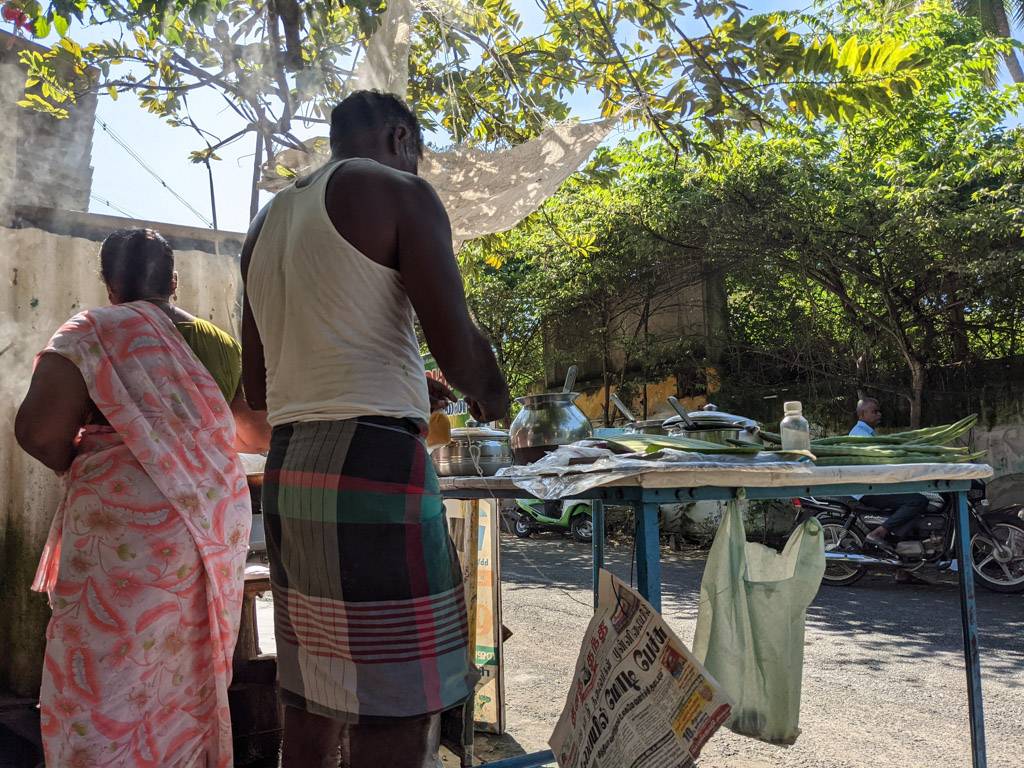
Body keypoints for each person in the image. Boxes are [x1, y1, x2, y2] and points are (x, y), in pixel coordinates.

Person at [241, 90, 509, 768]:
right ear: (399, 139)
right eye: (417, 154)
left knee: (311, 688)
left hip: (292, 468)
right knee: (397, 699)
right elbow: (462, 355)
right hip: (372, 467)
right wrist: (494, 391)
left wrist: (398, 377)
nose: (417, 169)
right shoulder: (397, 191)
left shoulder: (266, 223)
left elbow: (261, 386)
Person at [15, 228, 268, 767]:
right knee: (184, 662)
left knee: (107, 667)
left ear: (108, 284)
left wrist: (98, 467)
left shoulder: (91, 331)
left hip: (121, 532)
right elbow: (251, 434)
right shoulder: (216, 343)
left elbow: (38, 433)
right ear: (173, 281)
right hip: (206, 528)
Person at [848, 397, 928, 548]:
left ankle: (900, 547)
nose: (879, 415)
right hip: (868, 490)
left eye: (879, 412)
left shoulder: (867, 433)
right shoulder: (861, 436)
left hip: (874, 485)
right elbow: (878, 463)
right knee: (917, 501)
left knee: (914, 495)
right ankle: (879, 532)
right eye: (874, 412)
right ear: (862, 415)